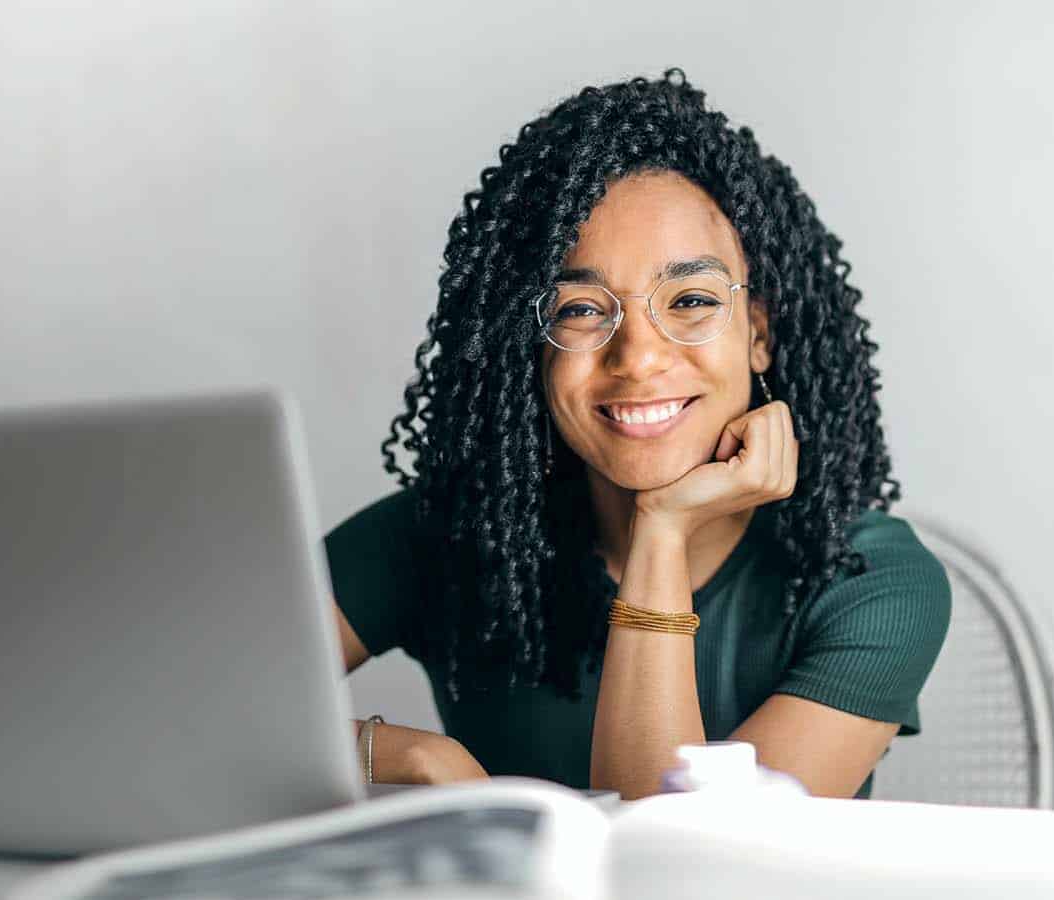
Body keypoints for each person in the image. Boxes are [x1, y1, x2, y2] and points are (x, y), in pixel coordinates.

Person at [325, 69, 950, 800]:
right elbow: (177, 716)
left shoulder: (870, 581)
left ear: (759, 334)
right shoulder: (445, 533)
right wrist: (412, 758)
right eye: (581, 310)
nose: (640, 357)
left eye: (690, 300)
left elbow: (680, 868)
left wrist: (663, 528)